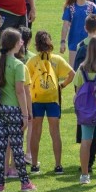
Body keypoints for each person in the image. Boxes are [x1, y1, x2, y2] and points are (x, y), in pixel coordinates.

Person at [0, 28, 36, 192]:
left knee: (0, 148)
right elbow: (20, 91)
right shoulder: (18, 65)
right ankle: (25, 183)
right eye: (20, 41)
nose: (22, 43)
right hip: (13, 109)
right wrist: (25, 114)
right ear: (15, 44)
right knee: (17, 147)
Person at [25, 31, 74, 175]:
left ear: (37, 44)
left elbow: (26, 79)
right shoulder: (57, 60)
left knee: (35, 133)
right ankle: (58, 165)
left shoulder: (33, 61)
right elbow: (72, 74)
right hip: (53, 100)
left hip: (37, 100)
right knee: (55, 133)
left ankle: (34, 165)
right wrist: (62, 86)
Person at [74, 36, 96, 186]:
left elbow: (77, 88)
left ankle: (84, 174)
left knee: (85, 142)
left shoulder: (82, 68)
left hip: (86, 110)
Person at [60, 0, 96, 67]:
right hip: (74, 42)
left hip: (90, 42)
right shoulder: (70, 8)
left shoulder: (93, 7)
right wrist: (63, 42)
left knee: (91, 68)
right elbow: (65, 25)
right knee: (74, 69)